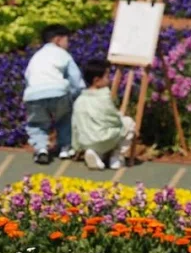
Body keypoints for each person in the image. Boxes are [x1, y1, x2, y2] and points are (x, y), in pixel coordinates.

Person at [23, 23, 85, 165]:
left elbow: (28, 77)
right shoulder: (63, 55)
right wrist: (77, 95)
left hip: (33, 95)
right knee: (64, 118)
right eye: (66, 40)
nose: (68, 44)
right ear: (57, 40)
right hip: (58, 92)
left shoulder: (36, 57)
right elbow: (76, 79)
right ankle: (65, 147)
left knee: (37, 124)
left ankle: (41, 149)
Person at [72, 60, 135, 170]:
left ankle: (95, 154)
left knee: (95, 133)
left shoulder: (79, 101)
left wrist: (76, 147)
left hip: (86, 141)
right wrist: (120, 116)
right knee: (128, 123)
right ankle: (116, 157)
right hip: (104, 140)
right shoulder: (104, 98)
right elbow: (114, 121)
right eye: (106, 76)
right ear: (97, 80)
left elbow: (75, 126)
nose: (109, 79)